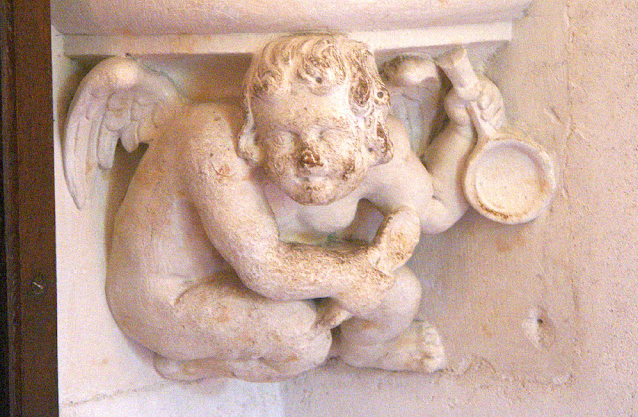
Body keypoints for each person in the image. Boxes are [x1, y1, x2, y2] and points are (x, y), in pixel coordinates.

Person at [72, 33, 503, 382]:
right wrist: (363, 270)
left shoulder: (378, 151)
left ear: (368, 128)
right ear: (254, 131)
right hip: (169, 298)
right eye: (283, 136)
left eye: (330, 131)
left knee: (402, 295)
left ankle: (368, 351)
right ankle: (193, 365)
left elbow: (436, 209)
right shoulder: (210, 141)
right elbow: (265, 268)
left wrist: (462, 128)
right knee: (303, 338)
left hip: (269, 276)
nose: (310, 157)